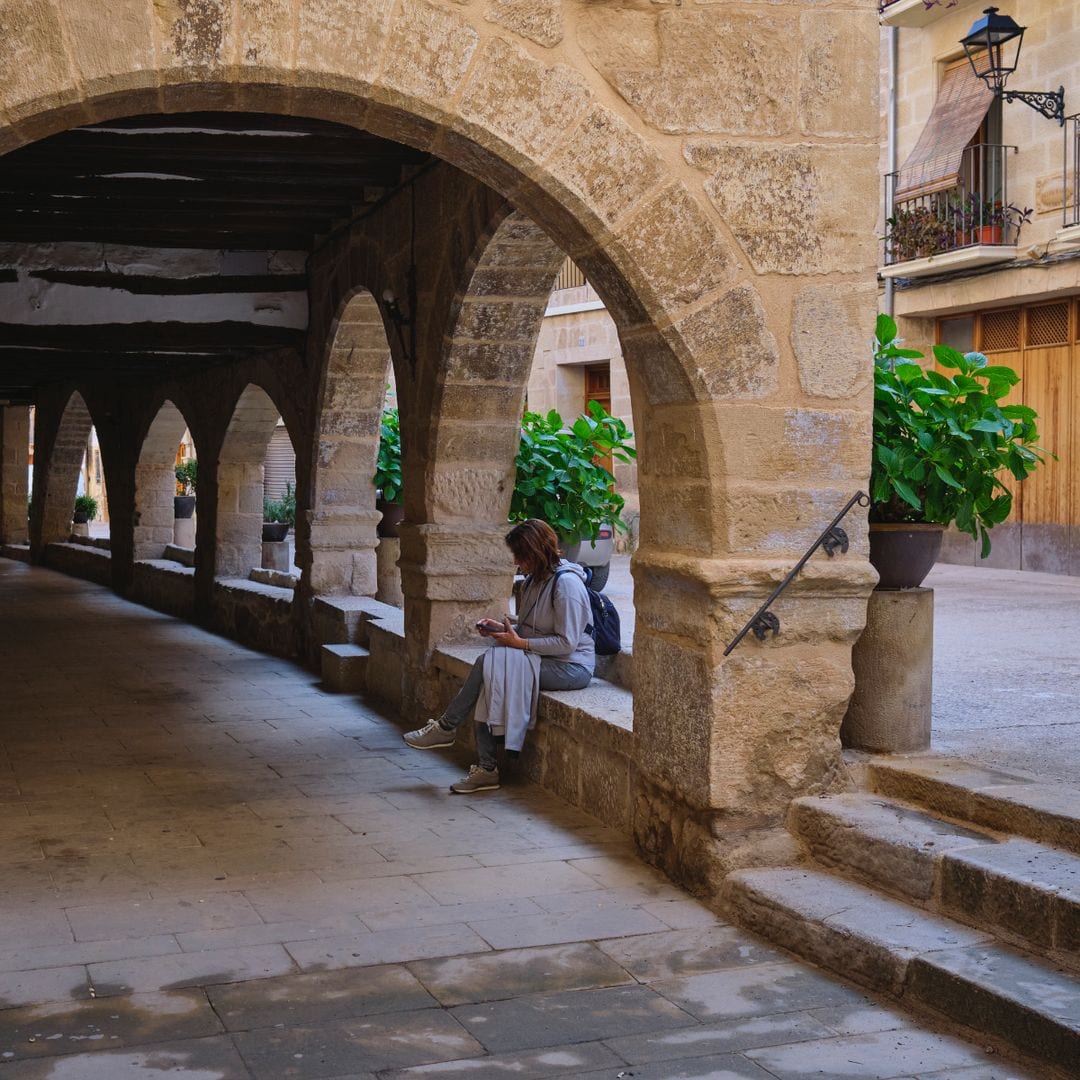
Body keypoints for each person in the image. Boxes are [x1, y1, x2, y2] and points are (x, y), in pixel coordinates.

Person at [403, 518, 595, 793]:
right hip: (542, 659)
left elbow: (566, 643)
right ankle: (484, 767)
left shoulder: (566, 586)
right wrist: (501, 630)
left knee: (489, 664)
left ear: (536, 552)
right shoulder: (532, 582)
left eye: (521, 555)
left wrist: (519, 644)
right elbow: (532, 629)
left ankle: (451, 732)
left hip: (570, 667)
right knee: (492, 670)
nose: (517, 562)